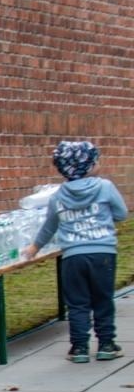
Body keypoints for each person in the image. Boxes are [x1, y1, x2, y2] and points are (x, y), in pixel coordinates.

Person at [24, 139, 126, 363]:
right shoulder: (105, 187)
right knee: (103, 299)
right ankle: (106, 344)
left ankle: (79, 347)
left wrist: (34, 247)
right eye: (96, 160)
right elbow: (121, 213)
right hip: (103, 253)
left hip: (72, 256)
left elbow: (49, 226)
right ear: (88, 165)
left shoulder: (57, 196)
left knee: (78, 303)